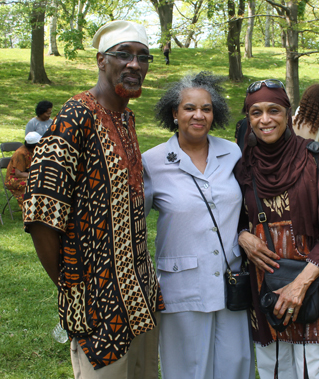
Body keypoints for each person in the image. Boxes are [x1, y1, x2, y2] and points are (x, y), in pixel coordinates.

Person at [23, 20, 164, 378]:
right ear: (102, 61)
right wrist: (73, 287)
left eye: (142, 57)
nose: (135, 64)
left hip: (139, 297)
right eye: (124, 55)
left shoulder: (127, 119)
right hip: (97, 306)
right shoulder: (74, 118)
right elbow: (41, 214)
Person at [142, 72, 255, 379]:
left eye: (206, 108)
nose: (198, 115)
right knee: (187, 371)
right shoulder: (152, 162)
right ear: (174, 113)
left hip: (232, 282)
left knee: (235, 366)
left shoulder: (232, 152)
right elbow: (133, 221)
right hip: (183, 287)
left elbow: (247, 206)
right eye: (189, 108)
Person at [236, 79, 319, 379]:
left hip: (309, 282)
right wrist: (242, 235)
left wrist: (299, 285)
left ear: (288, 114)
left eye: (273, 110)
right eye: (256, 112)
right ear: (248, 118)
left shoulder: (317, 158)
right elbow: (233, 217)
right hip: (263, 283)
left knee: (308, 368)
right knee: (271, 365)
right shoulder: (244, 165)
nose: (265, 120)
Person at [5, 132, 41, 208]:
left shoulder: (34, 151)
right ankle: (30, 207)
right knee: (34, 183)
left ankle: (39, 207)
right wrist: (35, 175)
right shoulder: (21, 153)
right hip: (14, 179)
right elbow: (18, 173)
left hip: (27, 175)